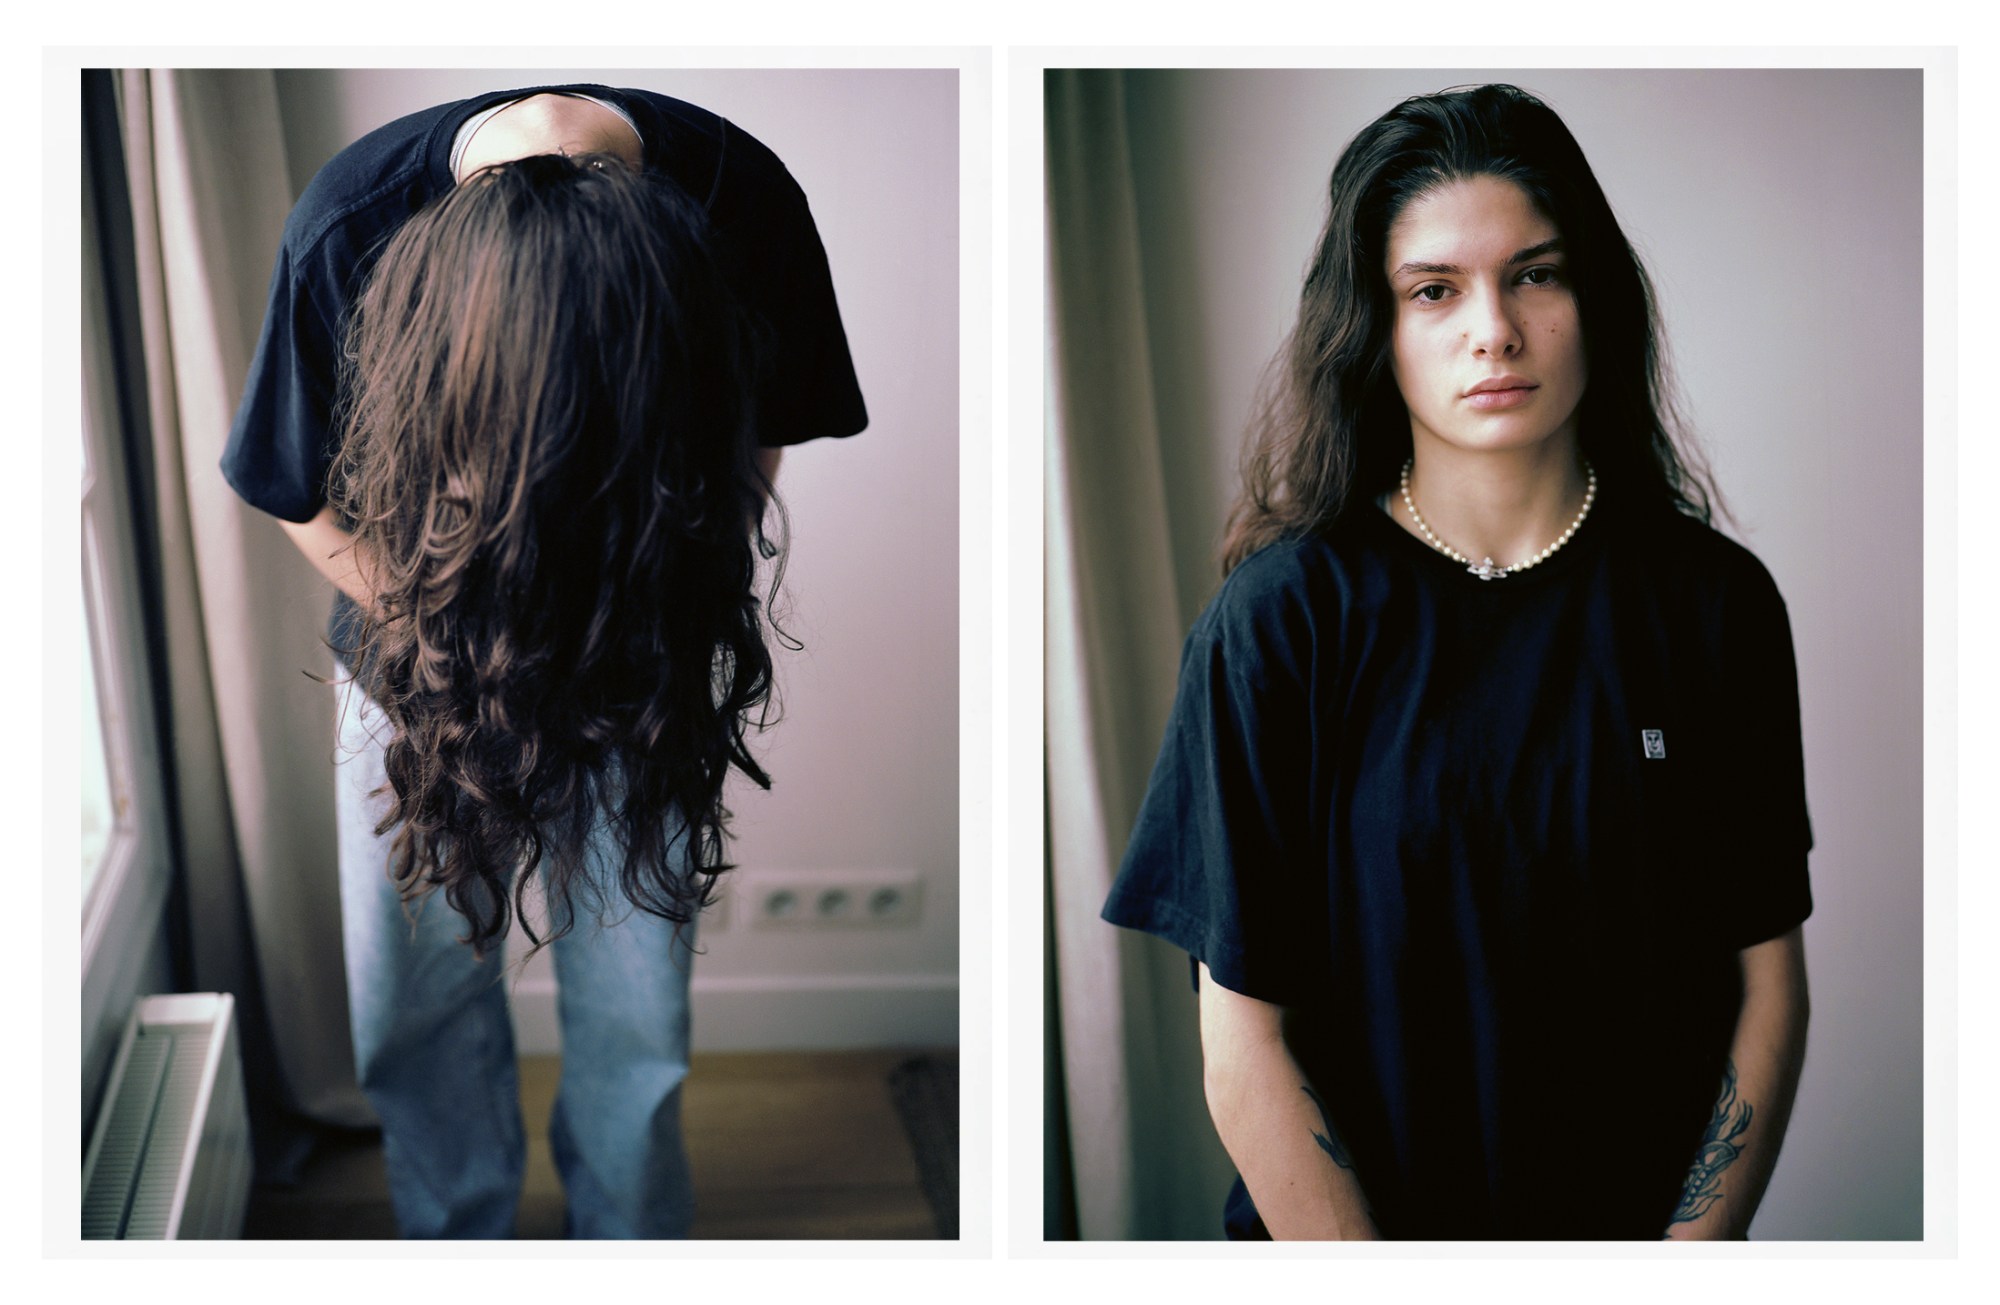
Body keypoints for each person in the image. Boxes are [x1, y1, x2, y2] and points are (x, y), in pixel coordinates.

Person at [1101, 84, 1811, 1240]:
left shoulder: (1712, 606)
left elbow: (1764, 980)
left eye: (1534, 273)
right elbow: (1241, 1040)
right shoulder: (1281, 617)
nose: (1493, 329)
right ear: (1373, 329)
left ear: (1594, 299)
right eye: (1433, 290)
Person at [221, 84, 866, 1239]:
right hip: (413, 672)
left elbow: (753, 436)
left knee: (635, 1004)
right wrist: (467, 638)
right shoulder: (346, 230)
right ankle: (455, 1239)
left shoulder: (744, 205)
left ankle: (629, 1241)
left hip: (645, 655)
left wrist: (629, 612)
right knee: (414, 1006)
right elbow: (295, 494)